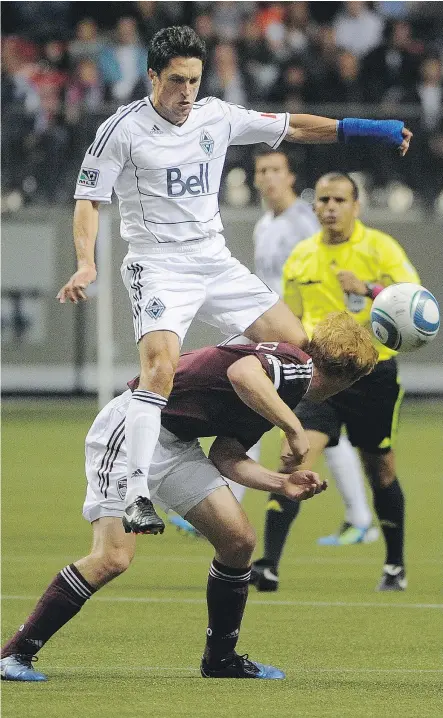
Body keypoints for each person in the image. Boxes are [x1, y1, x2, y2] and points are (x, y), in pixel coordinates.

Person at [56, 25, 412, 537]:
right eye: (176, 81)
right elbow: (88, 200)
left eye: (194, 81)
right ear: (152, 76)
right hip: (158, 266)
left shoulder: (216, 116)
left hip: (214, 262)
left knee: (301, 349)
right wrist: (86, 262)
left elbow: (292, 128)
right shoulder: (121, 131)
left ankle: (236, 440)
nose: (186, 93)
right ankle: (135, 490)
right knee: (158, 368)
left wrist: (367, 128)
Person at [1, 314, 378, 683]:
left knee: (238, 541)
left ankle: (221, 659)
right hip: (131, 432)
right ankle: (14, 652)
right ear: (348, 378)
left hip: (177, 445)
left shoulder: (285, 387)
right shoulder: (296, 365)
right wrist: (295, 430)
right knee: (112, 557)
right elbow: (242, 373)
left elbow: (226, 456)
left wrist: (281, 484)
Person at [251, 172, 420, 593]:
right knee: (295, 457)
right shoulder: (301, 257)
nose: (330, 206)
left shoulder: (380, 248)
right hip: (320, 377)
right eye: (323, 199)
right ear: (314, 207)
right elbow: (289, 319)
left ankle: (395, 565)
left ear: (356, 206)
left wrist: (369, 288)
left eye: (339, 200)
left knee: (379, 468)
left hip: (373, 374)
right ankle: (268, 565)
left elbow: (415, 301)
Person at [224, 149, 378, 550]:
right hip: (274, 333)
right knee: (322, 425)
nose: (269, 177)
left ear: (291, 177)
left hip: (304, 336)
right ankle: (360, 517)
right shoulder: (263, 226)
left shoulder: (304, 221)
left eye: (276, 169)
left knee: (279, 410)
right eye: (262, 171)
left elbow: (326, 267)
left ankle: (225, 497)